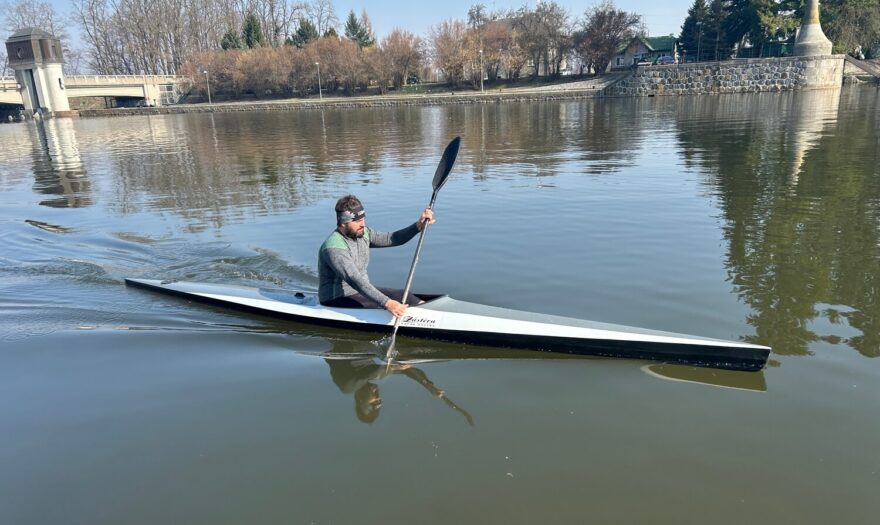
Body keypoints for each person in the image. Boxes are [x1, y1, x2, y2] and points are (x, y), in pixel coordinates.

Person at [318, 194, 434, 317]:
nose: (362, 224)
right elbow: (355, 280)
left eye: (363, 219)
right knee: (390, 307)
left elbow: (394, 238)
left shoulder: (363, 233)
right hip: (336, 299)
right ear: (343, 223)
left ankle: (432, 312)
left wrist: (418, 226)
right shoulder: (334, 248)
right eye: (357, 221)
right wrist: (387, 303)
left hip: (361, 291)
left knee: (403, 295)